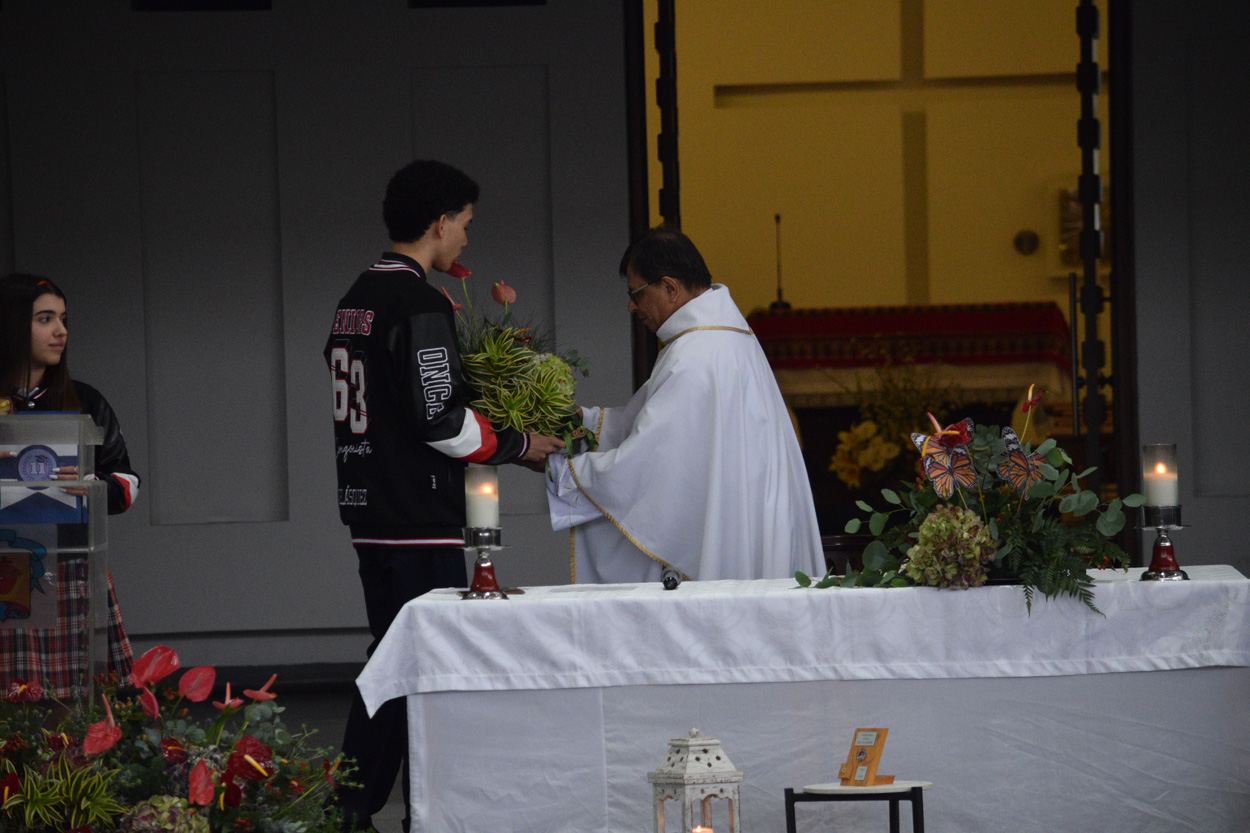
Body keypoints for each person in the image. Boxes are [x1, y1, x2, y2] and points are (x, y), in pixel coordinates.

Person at [325, 159, 563, 832]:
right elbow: (441, 418)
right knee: (412, 665)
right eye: (464, 223)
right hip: (415, 515)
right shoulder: (419, 302)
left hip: (369, 505)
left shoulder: (355, 297)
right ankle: (359, 809)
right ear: (439, 222)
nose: (465, 237)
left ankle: (359, 808)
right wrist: (519, 442)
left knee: (394, 657)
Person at [545, 225, 823, 583]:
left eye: (635, 293)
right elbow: (648, 423)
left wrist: (563, 472)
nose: (631, 306)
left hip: (731, 534)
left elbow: (647, 462)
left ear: (670, 288)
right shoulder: (723, 339)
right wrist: (577, 420)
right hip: (753, 523)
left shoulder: (694, 355)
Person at [0, 273, 141, 698]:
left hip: (67, 564)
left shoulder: (85, 401)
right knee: (12, 700)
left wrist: (92, 484)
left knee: (68, 699)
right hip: (6, 564)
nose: (60, 331)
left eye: (63, 319)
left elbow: (127, 482)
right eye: (45, 319)